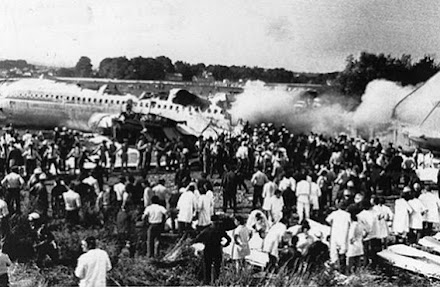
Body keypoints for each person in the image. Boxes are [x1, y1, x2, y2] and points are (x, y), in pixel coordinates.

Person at [194, 215, 231, 285]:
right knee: (217, 266)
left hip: (208, 249)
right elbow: (229, 239)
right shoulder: (221, 230)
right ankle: (216, 280)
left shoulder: (206, 230)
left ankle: (207, 281)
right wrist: (224, 245)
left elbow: (197, 239)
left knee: (207, 266)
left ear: (211, 221)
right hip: (217, 249)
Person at [326, 200, 351, 274]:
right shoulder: (347, 215)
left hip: (335, 233)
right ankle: (342, 269)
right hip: (343, 234)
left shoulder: (334, 213)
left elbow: (327, 220)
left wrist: (332, 225)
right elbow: (350, 223)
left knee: (333, 251)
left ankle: (334, 268)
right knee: (342, 252)